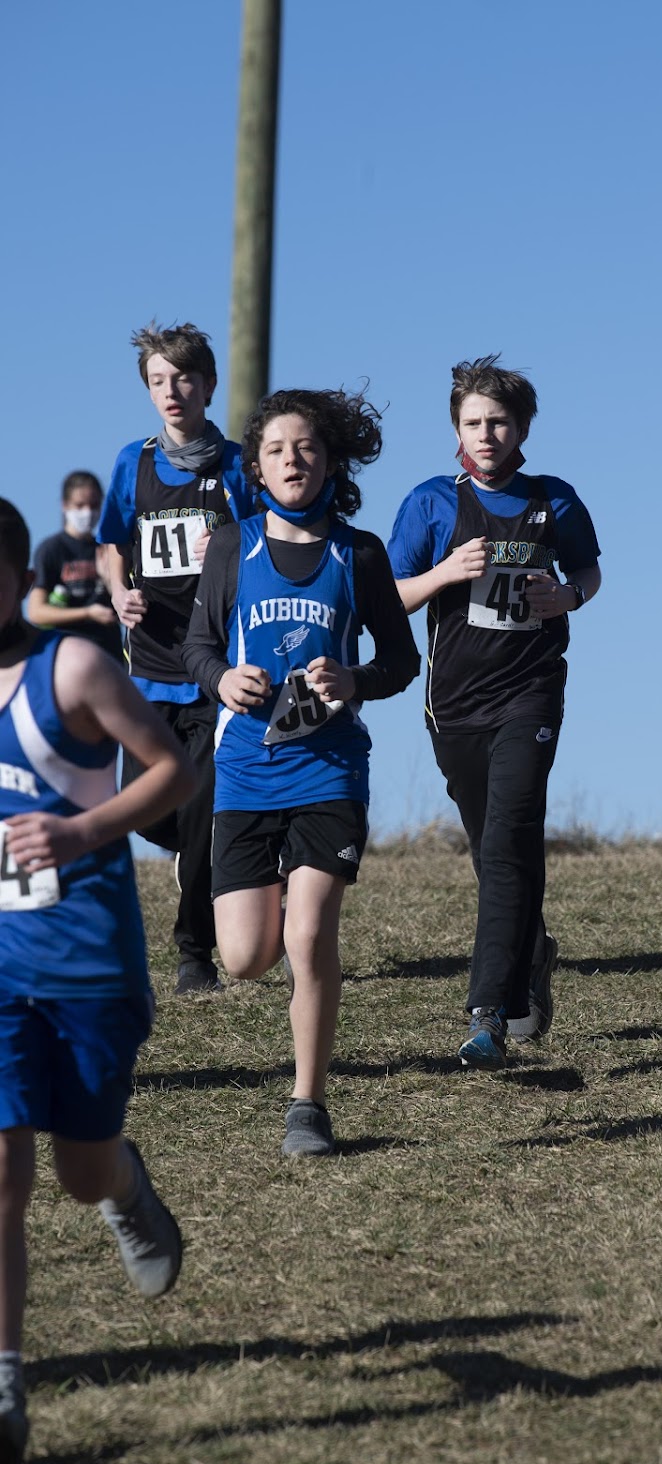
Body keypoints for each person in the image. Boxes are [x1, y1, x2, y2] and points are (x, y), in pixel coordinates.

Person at [0, 497, 196, 1464]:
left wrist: (79, 832)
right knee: (2, 1174)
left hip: (86, 963)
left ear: (16, 580)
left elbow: (174, 771)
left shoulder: (71, 668)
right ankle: (5, 1385)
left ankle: (123, 1182)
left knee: (78, 1174)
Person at [183, 387, 419, 1156]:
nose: (293, 460)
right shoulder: (233, 547)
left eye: (307, 448)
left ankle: (307, 1106)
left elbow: (401, 660)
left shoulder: (360, 554)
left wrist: (353, 680)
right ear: (256, 466)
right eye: (277, 450)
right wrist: (222, 679)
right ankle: (278, 893)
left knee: (310, 933)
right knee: (245, 957)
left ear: (330, 463)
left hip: (330, 769)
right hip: (247, 770)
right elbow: (197, 647)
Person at [387, 355, 601, 1068]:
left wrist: (568, 597)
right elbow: (389, 597)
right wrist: (445, 573)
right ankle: (532, 953)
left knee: (510, 836)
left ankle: (488, 1014)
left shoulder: (554, 500)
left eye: (499, 422)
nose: (486, 434)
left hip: (530, 691)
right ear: (456, 429)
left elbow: (589, 570)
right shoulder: (429, 504)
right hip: (454, 705)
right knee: (493, 851)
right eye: (473, 422)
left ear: (523, 429)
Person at [96, 322, 254, 994]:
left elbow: (270, 541)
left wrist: (233, 545)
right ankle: (222, 858)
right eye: (158, 381)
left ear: (208, 385)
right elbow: (111, 543)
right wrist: (118, 591)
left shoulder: (239, 466)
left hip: (214, 669)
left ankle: (195, 954)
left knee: (200, 813)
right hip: (150, 669)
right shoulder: (131, 464)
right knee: (149, 810)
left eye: (184, 379)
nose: (171, 391)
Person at [26, 471, 121, 658]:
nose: (87, 512)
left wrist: (110, 581)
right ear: (65, 505)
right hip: (66, 653)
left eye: (94, 505)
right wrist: (87, 613)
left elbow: (126, 608)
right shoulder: (51, 550)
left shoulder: (107, 548)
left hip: (108, 653)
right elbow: (36, 612)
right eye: (80, 505)